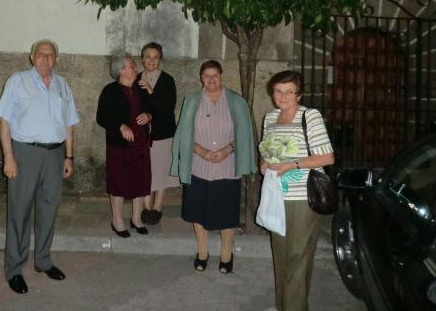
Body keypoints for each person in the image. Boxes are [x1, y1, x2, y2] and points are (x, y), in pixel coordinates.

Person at [0, 39, 80, 294]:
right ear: (31, 57)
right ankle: (14, 269)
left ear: (56, 59)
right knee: (19, 212)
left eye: (50, 54)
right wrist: (8, 157)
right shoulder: (17, 81)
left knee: (49, 209)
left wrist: (69, 156)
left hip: (55, 155)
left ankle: (43, 260)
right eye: (40, 54)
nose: (45, 58)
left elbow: (69, 123)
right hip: (25, 153)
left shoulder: (62, 85)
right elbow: (3, 120)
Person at [259, 70, 334, 311]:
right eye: (278, 91)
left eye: (289, 92)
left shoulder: (309, 116)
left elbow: (327, 157)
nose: (283, 96)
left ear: (299, 94)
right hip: (275, 194)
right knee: (281, 254)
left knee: (298, 257)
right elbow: (267, 151)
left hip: (302, 197)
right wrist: (264, 164)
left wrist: (291, 165)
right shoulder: (270, 118)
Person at [171, 60, 256, 274]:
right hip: (198, 167)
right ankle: (202, 252)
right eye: (206, 75)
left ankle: (226, 254)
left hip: (228, 167)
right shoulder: (192, 100)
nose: (211, 79)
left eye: (215, 75)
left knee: (227, 213)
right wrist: (201, 151)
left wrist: (228, 149)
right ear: (201, 78)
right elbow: (184, 133)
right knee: (198, 212)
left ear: (221, 77)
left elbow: (245, 134)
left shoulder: (236, 101)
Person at [97, 52, 152, 237]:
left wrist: (149, 115)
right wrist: (120, 126)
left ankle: (136, 218)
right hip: (119, 145)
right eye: (132, 65)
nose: (136, 67)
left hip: (141, 142)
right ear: (121, 70)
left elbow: (152, 109)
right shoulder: (110, 90)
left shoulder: (141, 88)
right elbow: (102, 117)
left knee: (140, 180)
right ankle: (117, 220)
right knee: (119, 182)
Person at [137, 42, 179, 225]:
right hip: (142, 134)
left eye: (155, 57)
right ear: (142, 59)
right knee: (145, 170)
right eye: (148, 57)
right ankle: (146, 207)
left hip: (163, 133)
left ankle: (157, 207)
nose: (151, 61)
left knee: (161, 171)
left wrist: (151, 91)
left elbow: (168, 107)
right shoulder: (136, 79)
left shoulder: (167, 80)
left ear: (160, 59)